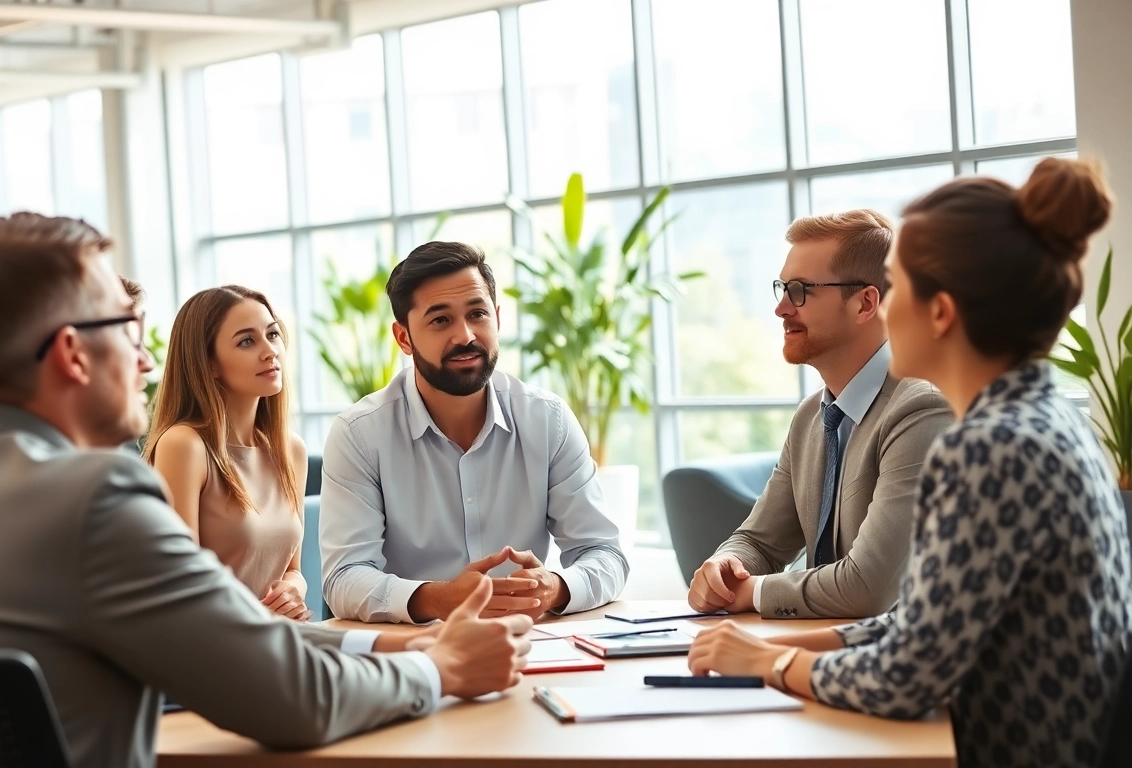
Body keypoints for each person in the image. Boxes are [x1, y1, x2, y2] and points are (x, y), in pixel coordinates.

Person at [0, 213, 534, 768]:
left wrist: (383, 642)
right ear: (73, 356)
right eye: (129, 329)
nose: (148, 360)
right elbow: (289, 699)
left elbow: (215, 635)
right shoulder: (94, 499)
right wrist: (436, 668)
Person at [687, 158, 1131, 768]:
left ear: (941, 312)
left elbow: (907, 676)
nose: (887, 310)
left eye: (898, 288)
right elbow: (922, 622)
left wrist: (770, 660)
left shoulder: (986, 447)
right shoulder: (1039, 416)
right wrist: (794, 641)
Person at [320, 241, 628, 624]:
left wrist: (556, 587)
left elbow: (605, 554)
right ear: (403, 338)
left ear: (497, 318)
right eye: (440, 320)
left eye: (477, 314)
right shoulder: (359, 434)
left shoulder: (547, 419)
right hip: (416, 655)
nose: (465, 335)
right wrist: (438, 599)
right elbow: (343, 577)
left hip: (529, 645)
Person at [689, 209, 952, 619]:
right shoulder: (813, 415)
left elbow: (868, 589)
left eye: (800, 290)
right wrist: (726, 566)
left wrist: (753, 592)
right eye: (781, 287)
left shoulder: (922, 409)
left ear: (866, 303)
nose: (780, 308)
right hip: (824, 656)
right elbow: (759, 542)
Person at [146, 286, 313, 622]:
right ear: (209, 365)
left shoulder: (290, 450)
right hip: (219, 648)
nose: (270, 351)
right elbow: (181, 587)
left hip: (283, 638)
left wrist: (294, 590)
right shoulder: (184, 445)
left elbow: (293, 569)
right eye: (247, 341)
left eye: (272, 334)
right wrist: (253, 619)